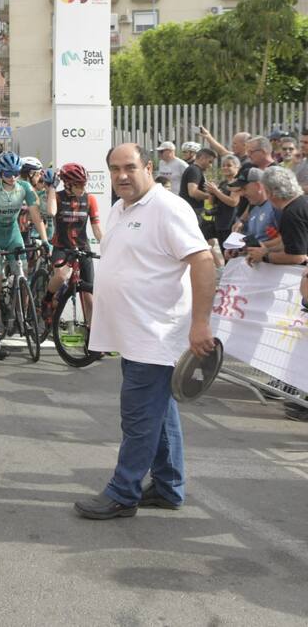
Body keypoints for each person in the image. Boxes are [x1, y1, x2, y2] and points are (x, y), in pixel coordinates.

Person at [75, 143, 215, 520]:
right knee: (159, 413)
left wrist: (201, 323)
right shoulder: (122, 207)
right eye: (116, 168)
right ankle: (169, 487)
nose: (123, 175)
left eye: (130, 167)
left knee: (138, 418)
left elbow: (203, 262)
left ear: (148, 167)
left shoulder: (168, 208)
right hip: (133, 336)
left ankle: (123, 492)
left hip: (155, 337)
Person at [0, 152, 48, 358]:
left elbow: (36, 215)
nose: (13, 177)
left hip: (13, 235)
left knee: (23, 275)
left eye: (16, 173)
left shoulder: (25, 187)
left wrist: (44, 239)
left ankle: (21, 316)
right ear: (1, 172)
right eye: (8, 173)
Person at [41, 163, 103, 323]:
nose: (83, 187)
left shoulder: (90, 199)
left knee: (89, 296)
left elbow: (97, 229)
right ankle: (47, 299)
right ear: (67, 184)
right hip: (62, 247)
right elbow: (51, 212)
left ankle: (91, 336)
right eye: (79, 184)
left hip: (83, 248)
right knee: (61, 275)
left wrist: (107, 245)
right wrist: (53, 189)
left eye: (84, 183)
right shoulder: (58, 197)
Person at [245, 167, 308, 267]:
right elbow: (289, 244)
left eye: (265, 190)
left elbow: (297, 257)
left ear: (271, 193)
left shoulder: (291, 214)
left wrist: (265, 256)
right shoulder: (301, 202)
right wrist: (264, 251)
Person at [178, 147, 216, 227]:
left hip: (191, 209)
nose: (210, 165)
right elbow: (193, 192)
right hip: (192, 210)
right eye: (210, 162)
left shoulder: (195, 170)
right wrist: (212, 195)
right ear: (202, 158)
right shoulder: (194, 170)